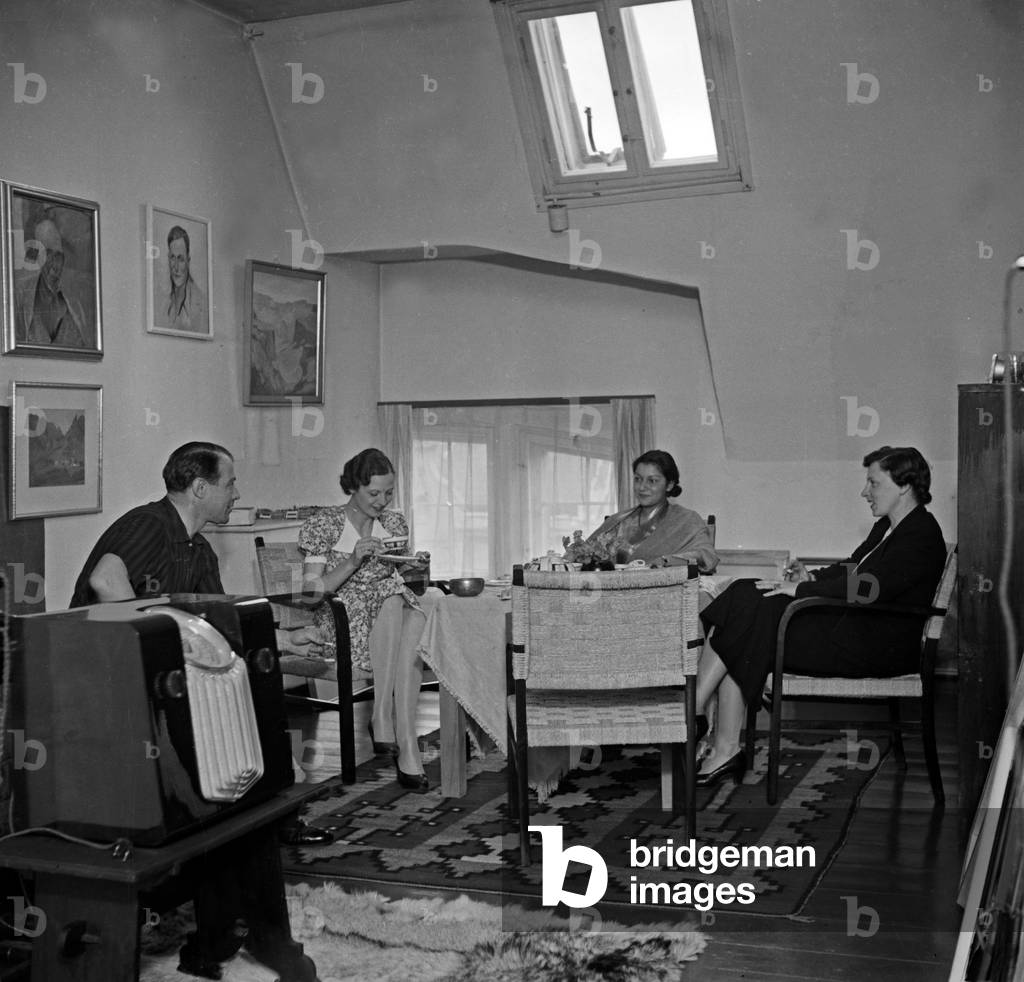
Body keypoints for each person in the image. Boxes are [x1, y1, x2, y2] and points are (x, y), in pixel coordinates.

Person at [69, 440, 330, 846]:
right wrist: (155, 646)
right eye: (230, 484)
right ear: (200, 488)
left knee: (252, 691)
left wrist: (288, 640)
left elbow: (223, 628)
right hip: (103, 674)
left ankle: (270, 813)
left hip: (168, 674)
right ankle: (257, 815)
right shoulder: (148, 524)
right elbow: (104, 581)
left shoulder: (200, 550)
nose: (237, 494)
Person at [693, 446, 947, 789]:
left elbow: (871, 589)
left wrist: (798, 592)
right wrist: (809, 578)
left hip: (876, 646)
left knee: (754, 614)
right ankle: (718, 743)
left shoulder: (922, 533)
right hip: (857, 629)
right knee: (746, 592)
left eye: (873, 483)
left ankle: (698, 718)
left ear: (903, 485)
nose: (864, 492)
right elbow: (851, 569)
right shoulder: (887, 527)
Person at [298, 448, 432, 792]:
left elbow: (400, 576)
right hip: (341, 616)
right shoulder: (324, 524)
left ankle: (396, 731)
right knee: (397, 605)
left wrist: (413, 566)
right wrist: (353, 560)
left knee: (411, 610)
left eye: (388, 493)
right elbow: (312, 594)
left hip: (389, 611)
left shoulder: (393, 523)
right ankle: (389, 726)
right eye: (374, 493)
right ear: (353, 487)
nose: (382, 501)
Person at [571, 449, 718, 572]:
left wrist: (667, 561)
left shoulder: (687, 520)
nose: (642, 487)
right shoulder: (617, 521)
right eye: (637, 479)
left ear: (669, 485)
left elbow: (706, 555)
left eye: (652, 481)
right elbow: (581, 553)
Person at [13, 218, 89, 347]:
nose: (55, 266)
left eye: (58, 256)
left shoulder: (74, 307)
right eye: (47, 255)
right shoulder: (20, 300)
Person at [156, 225, 207, 334]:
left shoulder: (200, 301)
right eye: (172, 258)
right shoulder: (162, 299)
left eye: (181, 259)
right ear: (168, 258)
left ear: (188, 260)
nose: (176, 267)